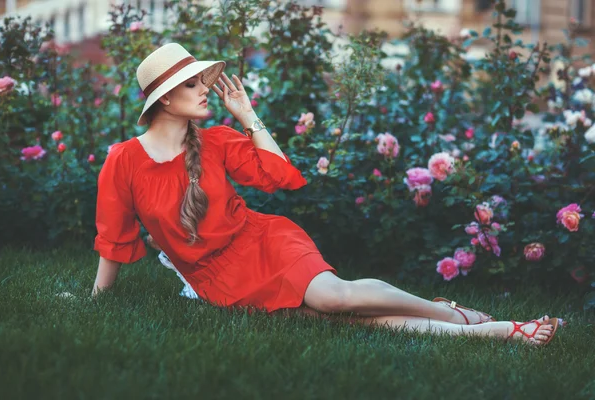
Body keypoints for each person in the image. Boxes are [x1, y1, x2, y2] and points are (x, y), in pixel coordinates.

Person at [91, 43, 560, 346]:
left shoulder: (213, 141)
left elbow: (278, 174)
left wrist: (249, 116)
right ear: (165, 100)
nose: (206, 90)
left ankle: (451, 317)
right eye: (192, 84)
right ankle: (497, 332)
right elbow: (113, 236)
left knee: (335, 299)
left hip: (263, 243)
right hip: (219, 282)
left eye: (202, 81)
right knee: (341, 323)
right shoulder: (123, 161)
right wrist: (97, 300)